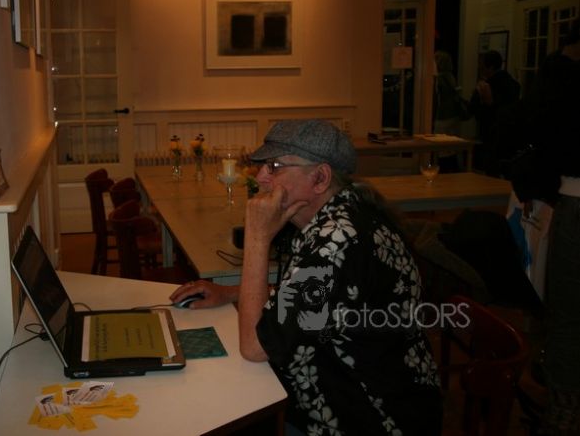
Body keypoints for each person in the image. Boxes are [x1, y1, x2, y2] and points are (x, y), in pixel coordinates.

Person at [170, 119, 442, 435]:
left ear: (320, 178)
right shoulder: (344, 214)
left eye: (274, 167)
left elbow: (256, 348)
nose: (260, 177)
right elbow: (310, 299)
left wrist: (258, 236)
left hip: (368, 416)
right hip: (362, 399)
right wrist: (232, 292)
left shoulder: (337, 240)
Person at [528, 18, 580, 435]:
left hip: (570, 198)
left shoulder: (557, 79)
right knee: (567, 311)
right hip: (572, 197)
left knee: (567, 312)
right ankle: (564, 402)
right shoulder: (560, 79)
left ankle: (564, 405)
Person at [468, 49, 521, 175]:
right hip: (510, 132)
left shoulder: (486, 86)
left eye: (482, 66)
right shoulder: (514, 84)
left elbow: (474, 109)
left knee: (491, 169)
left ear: (490, 67)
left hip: (490, 131)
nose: (480, 68)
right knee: (507, 169)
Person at [433, 50, 466, 172]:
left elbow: (437, 99)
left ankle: (443, 169)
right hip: (453, 116)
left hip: (442, 116)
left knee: (441, 148)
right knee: (451, 147)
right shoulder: (451, 77)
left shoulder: (439, 79)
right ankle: (454, 168)